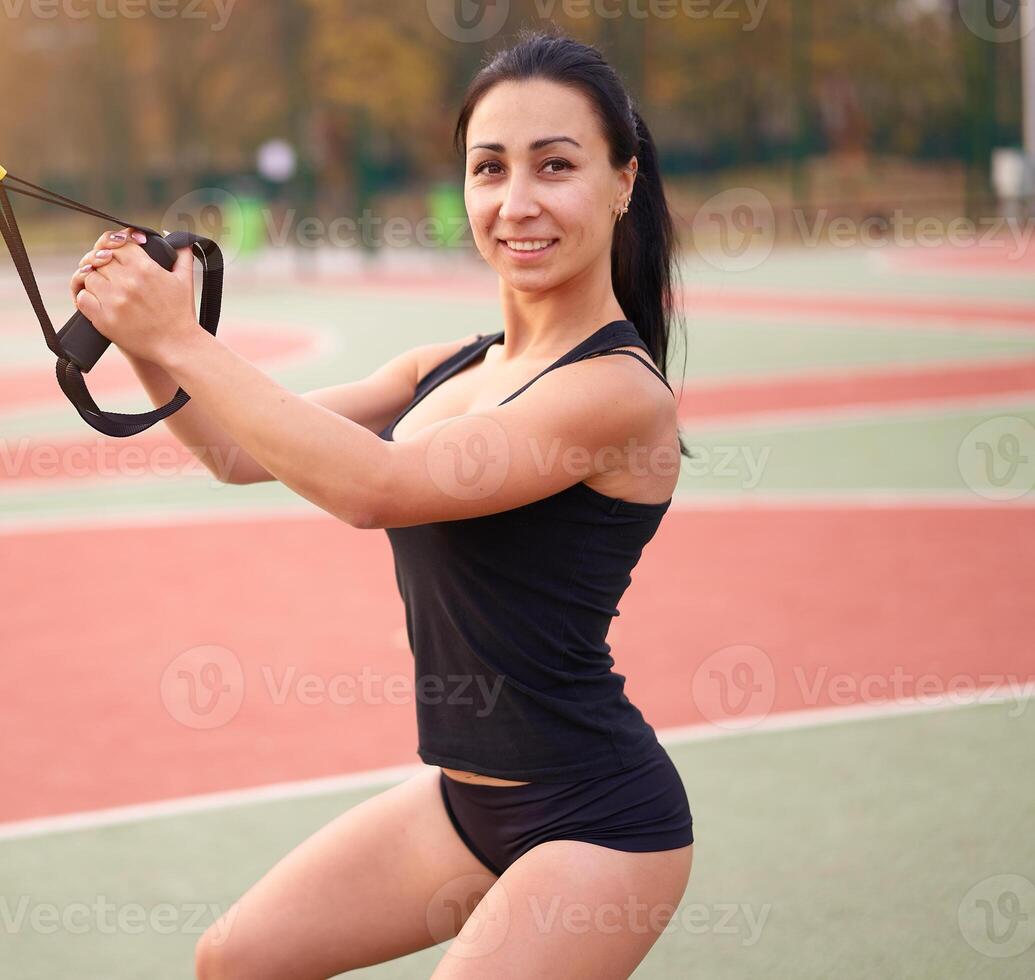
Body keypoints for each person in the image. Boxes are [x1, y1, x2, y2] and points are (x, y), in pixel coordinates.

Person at [70, 29, 693, 980]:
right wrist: (152, 338)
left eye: (554, 166)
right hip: (463, 802)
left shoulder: (616, 391)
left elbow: (377, 489)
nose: (515, 202)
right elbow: (237, 453)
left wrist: (182, 342)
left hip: (596, 819)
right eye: (489, 169)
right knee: (235, 962)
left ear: (621, 182)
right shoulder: (448, 366)